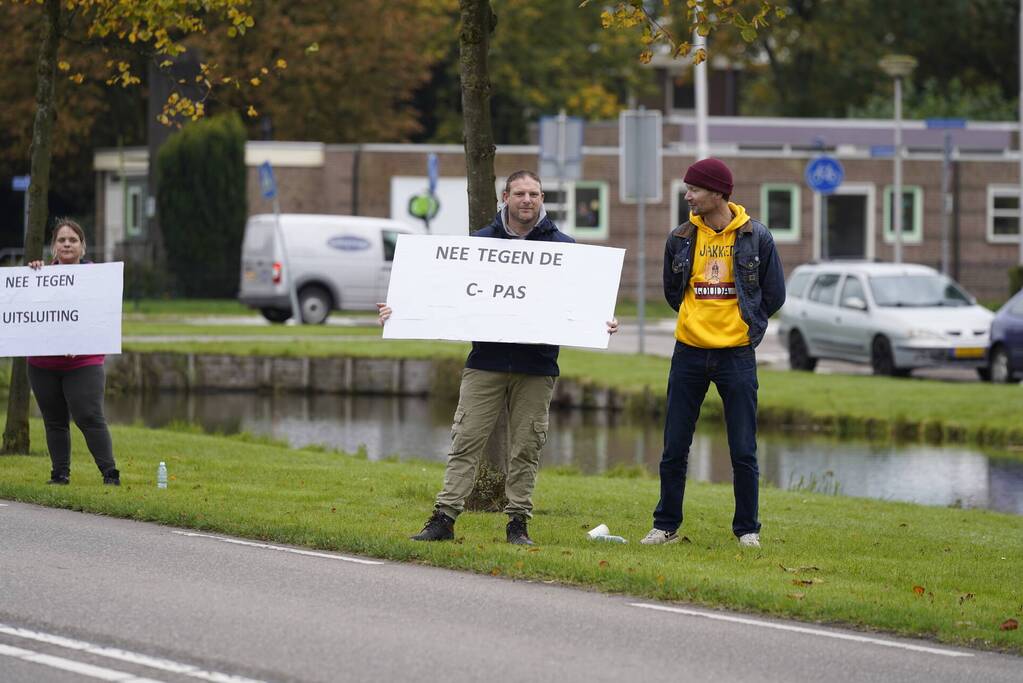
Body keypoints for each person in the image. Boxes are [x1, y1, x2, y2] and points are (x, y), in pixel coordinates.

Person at [378, 170, 618, 545]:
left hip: (537, 367)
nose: (527, 200)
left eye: (534, 194)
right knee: (465, 441)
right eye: (520, 193)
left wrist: (601, 320)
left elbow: (581, 303)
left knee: (527, 447)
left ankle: (517, 523)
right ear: (505, 196)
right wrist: (401, 310)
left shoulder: (565, 247)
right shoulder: (479, 244)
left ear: (542, 199)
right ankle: (444, 518)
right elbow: (444, 293)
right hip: (486, 362)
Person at [640, 158, 784, 549]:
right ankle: (665, 525)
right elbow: (674, 292)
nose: (687, 195)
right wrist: (696, 321)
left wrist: (743, 326)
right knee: (674, 446)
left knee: (743, 449)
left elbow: (774, 296)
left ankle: (747, 530)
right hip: (688, 353)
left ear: (718, 193)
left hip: (736, 356)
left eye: (694, 189)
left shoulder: (757, 237)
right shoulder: (681, 237)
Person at [26, 219, 120, 486]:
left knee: (88, 415)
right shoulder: (38, 275)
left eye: (73, 240)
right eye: (61, 240)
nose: (67, 244)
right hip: (43, 363)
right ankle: (60, 474)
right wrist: (33, 272)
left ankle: (109, 473)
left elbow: (104, 316)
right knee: (54, 420)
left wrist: (80, 340)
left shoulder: (98, 278)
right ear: (53, 247)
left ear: (83, 246)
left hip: (83, 361)